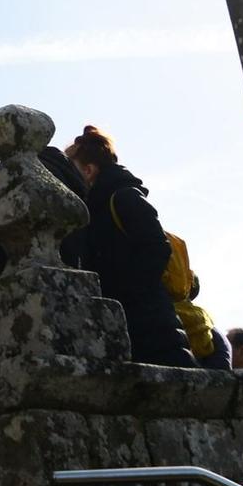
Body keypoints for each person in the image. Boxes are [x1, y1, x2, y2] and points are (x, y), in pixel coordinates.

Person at [63, 126, 196, 369]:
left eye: (71, 170)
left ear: (89, 170)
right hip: (125, 323)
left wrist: (129, 293)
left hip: (151, 325)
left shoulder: (124, 197)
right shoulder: (93, 211)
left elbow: (157, 248)